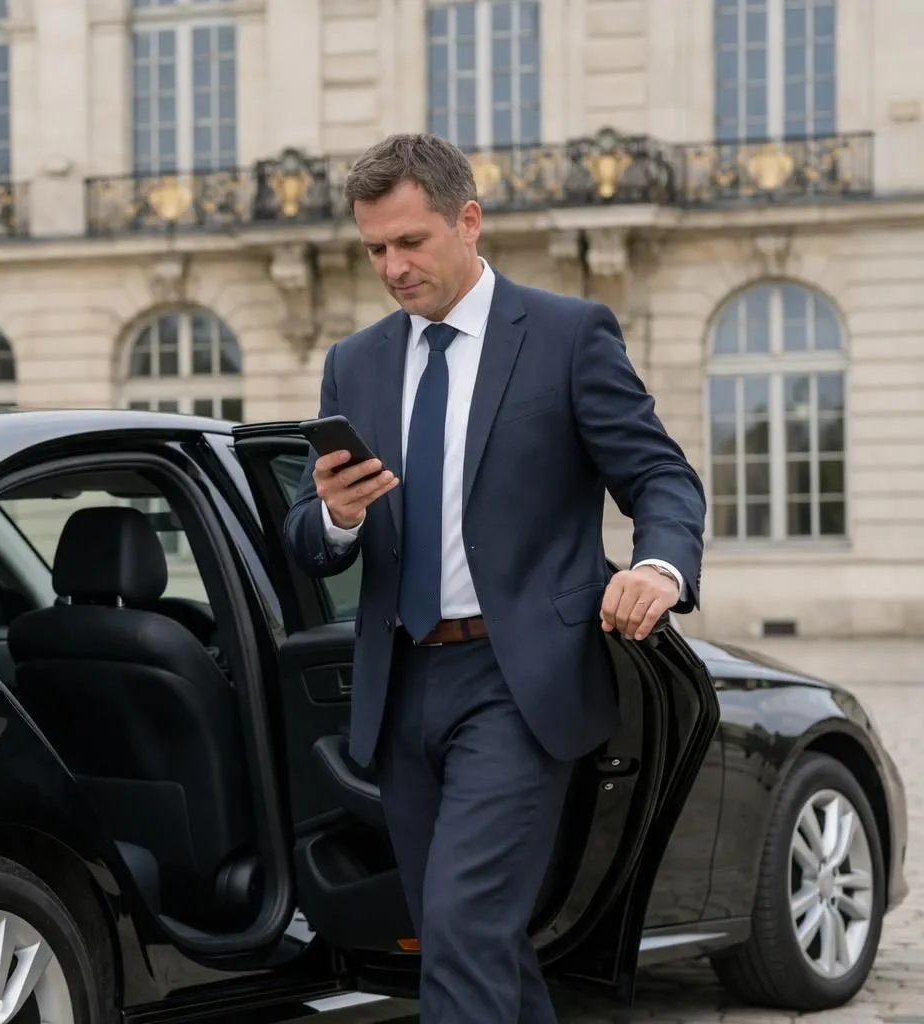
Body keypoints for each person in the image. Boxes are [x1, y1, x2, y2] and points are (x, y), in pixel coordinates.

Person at [284, 132, 706, 1023]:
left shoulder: (566, 336)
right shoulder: (353, 362)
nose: (392, 268)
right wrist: (336, 513)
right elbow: (309, 538)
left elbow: (659, 477)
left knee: (467, 923)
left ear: (467, 221)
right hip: (400, 687)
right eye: (374, 251)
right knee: (466, 937)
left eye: (410, 243)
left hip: (517, 683)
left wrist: (661, 565)